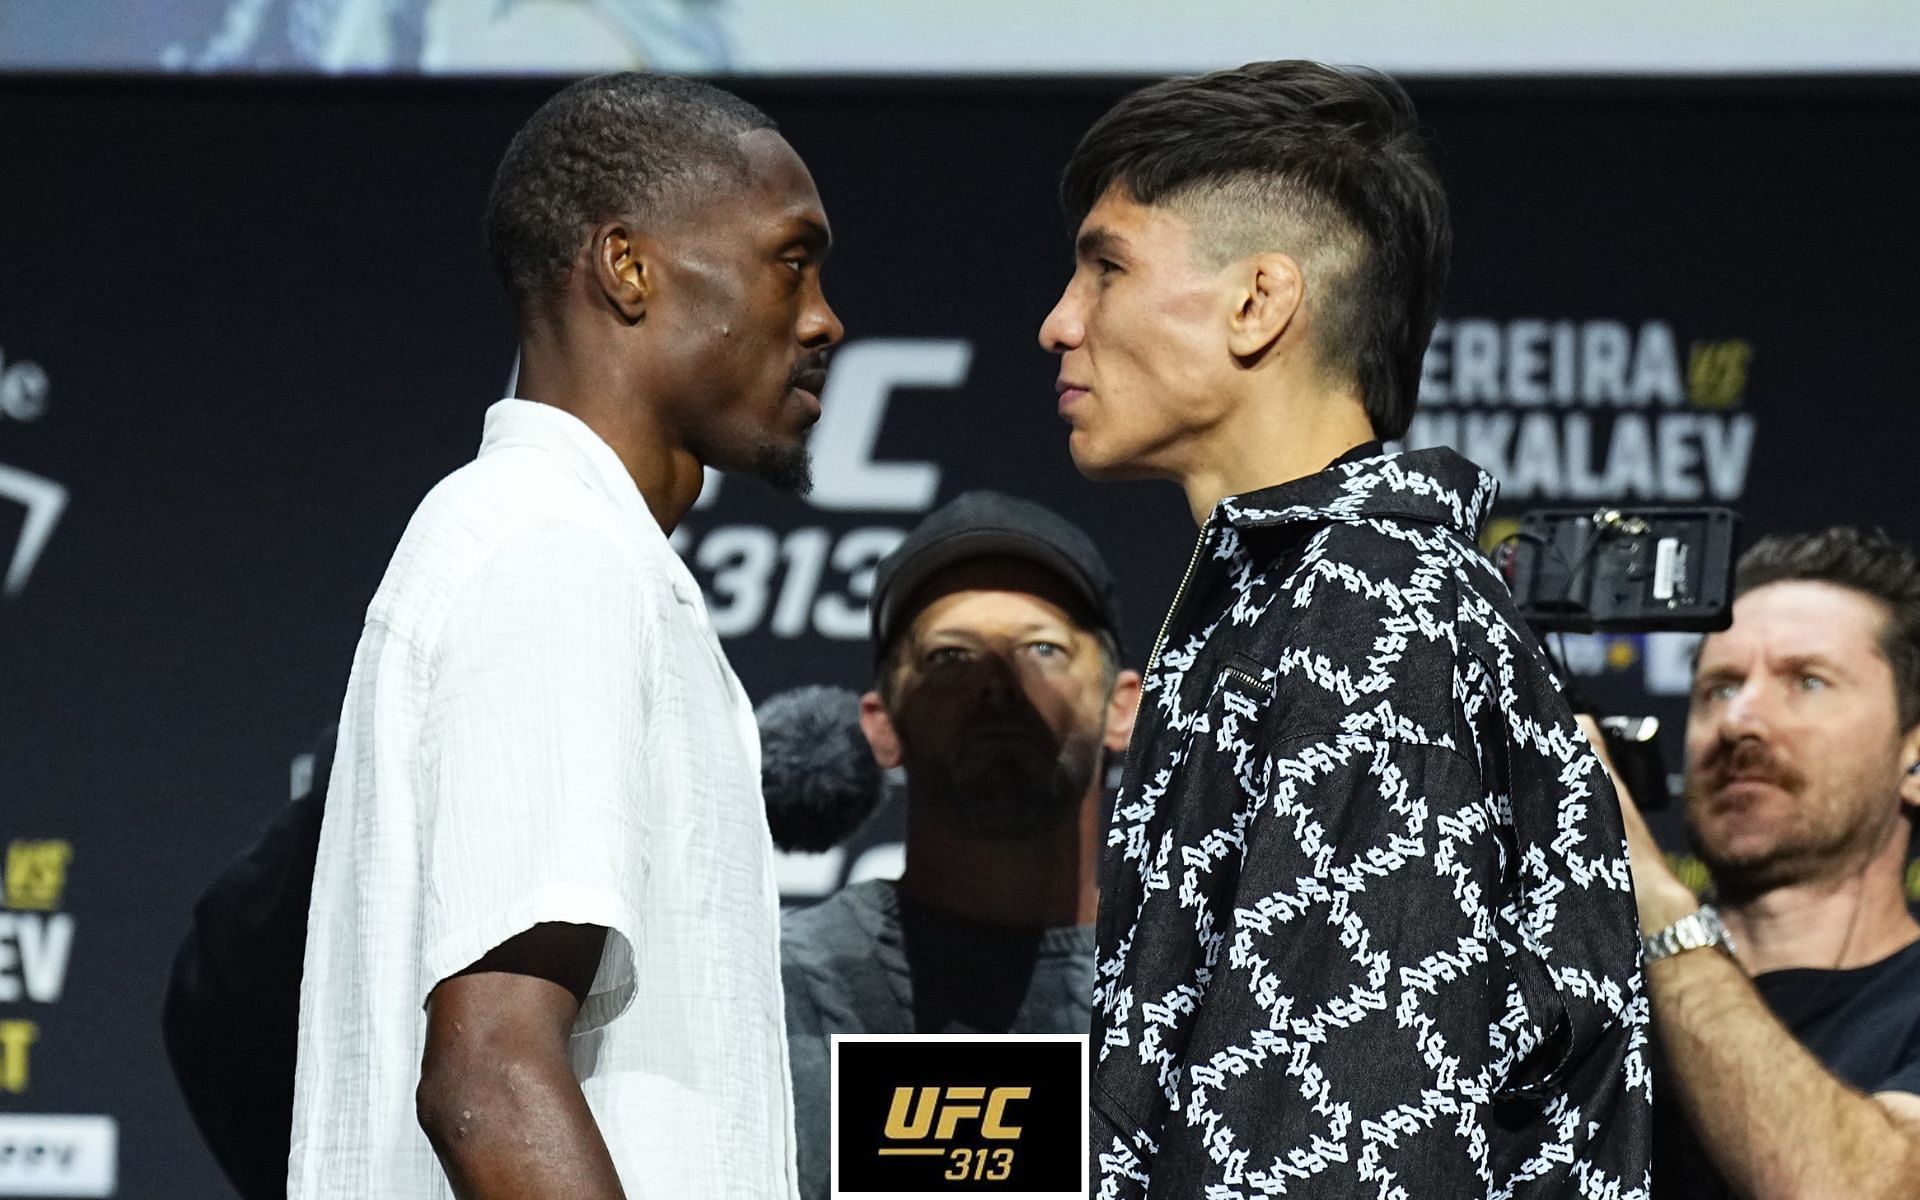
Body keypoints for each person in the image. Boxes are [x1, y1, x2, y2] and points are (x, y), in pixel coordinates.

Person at [1037, 60, 1650, 1197]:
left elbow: (1338, 1141)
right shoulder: (1309, 592)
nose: (1058, 323)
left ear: (1257, 303)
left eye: (1106, 267)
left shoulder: (1367, 614)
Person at [287, 73, 842, 1200]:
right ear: (627, 268)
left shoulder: (575, 550)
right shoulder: (553, 553)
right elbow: (490, 1077)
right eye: (793, 258)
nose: (827, 315)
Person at [780, 491, 1141, 1200]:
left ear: (1122, 706)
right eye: (950, 656)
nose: (996, 683)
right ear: (881, 726)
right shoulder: (787, 986)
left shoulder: (1208, 993)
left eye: (1042, 647)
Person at [1583, 528, 1920, 1199]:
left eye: (1808, 682)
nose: (1740, 720)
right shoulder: (1588, 1001)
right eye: (1718, 688)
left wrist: (1647, 884)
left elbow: (1863, 1188)